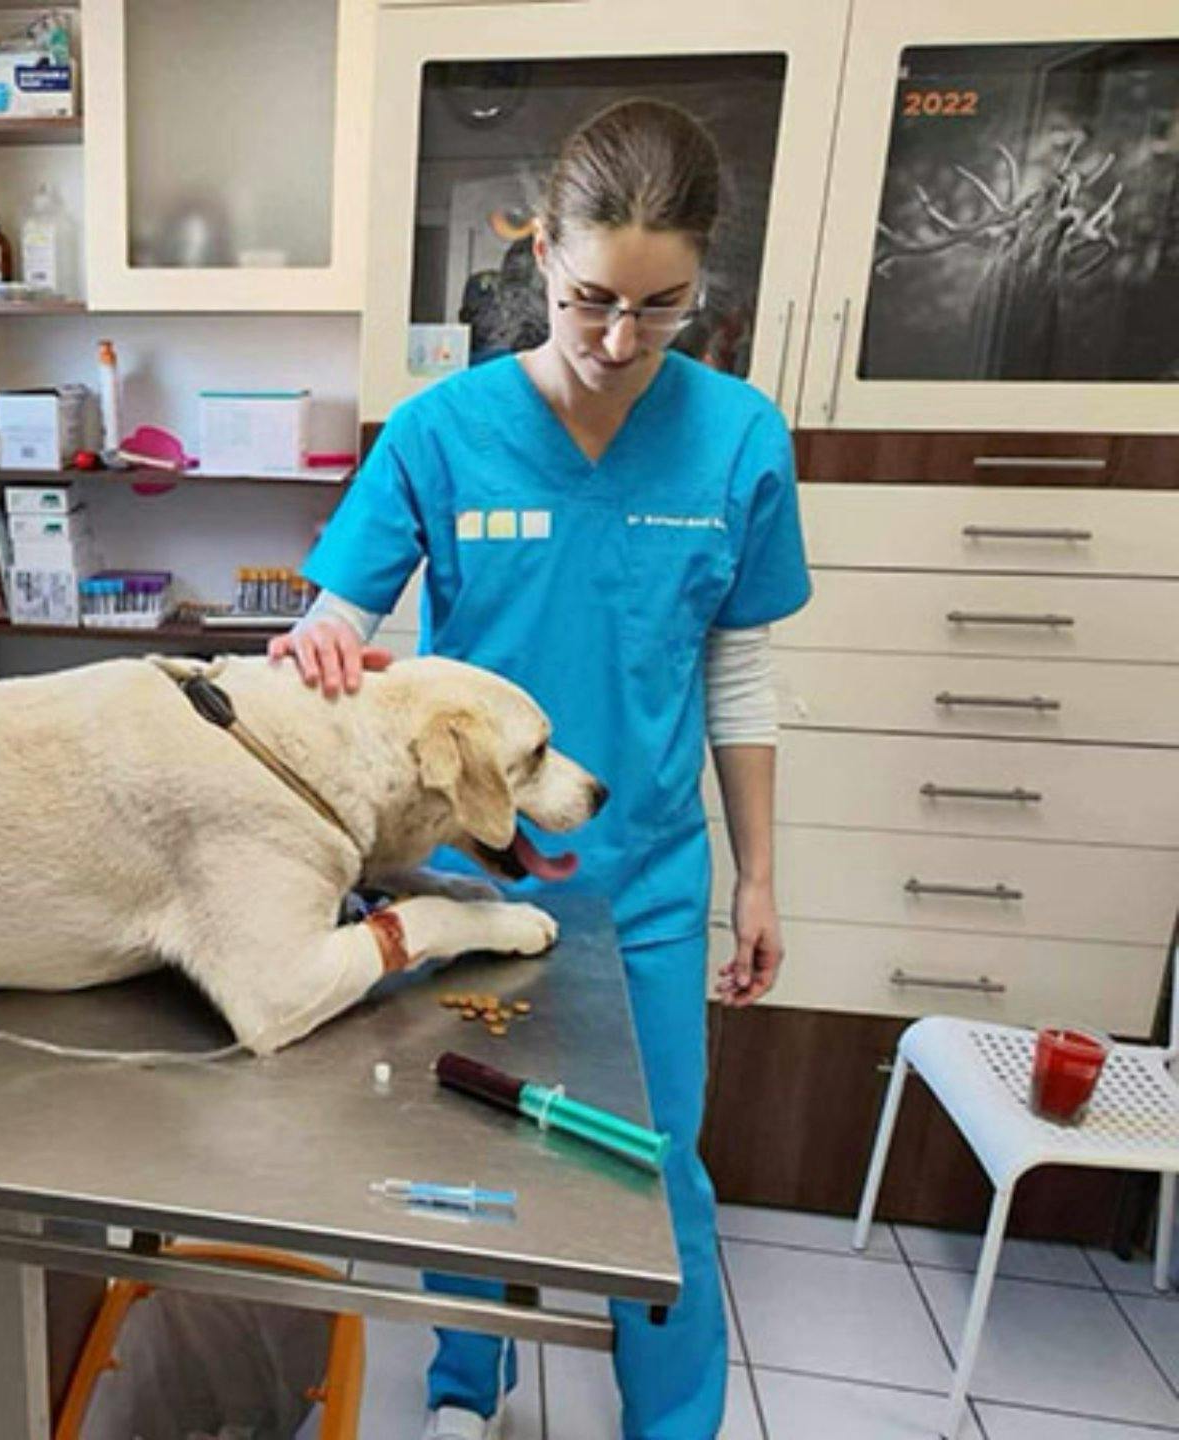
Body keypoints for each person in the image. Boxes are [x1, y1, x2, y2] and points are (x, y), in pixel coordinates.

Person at [270, 99, 810, 1439]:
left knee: (655, 1168)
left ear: (700, 282)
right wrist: (321, 643)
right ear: (541, 259)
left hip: (648, 882)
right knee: (464, 1154)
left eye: (661, 308)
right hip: (474, 875)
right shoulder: (441, 432)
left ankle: (670, 1422)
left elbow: (739, 676)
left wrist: (760, 879)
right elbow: (338, 621)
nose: (620, 341)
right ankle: (467, 1389)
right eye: (590, 301)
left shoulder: (741, 439)